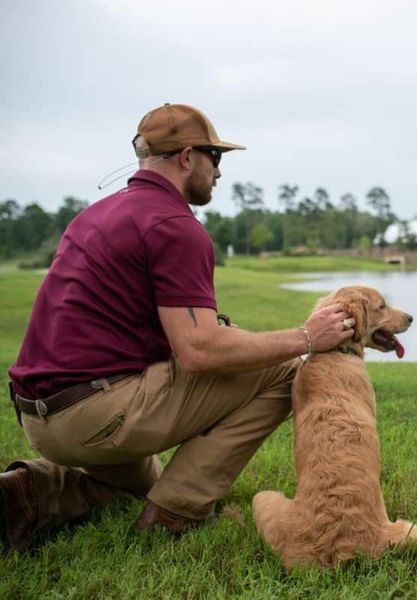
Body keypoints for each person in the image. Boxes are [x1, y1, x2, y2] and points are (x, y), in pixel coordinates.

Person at [1, 103, 354, 550]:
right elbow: (199, 352)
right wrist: (306, 338)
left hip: (41, 417)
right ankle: (176, 515)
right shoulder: (174, 224)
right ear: (187, 157)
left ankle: (25, 493)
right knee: (286, 369)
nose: (220, 172)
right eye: (215, 157)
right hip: (95, 414)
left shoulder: (95, 215)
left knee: (139, 488)